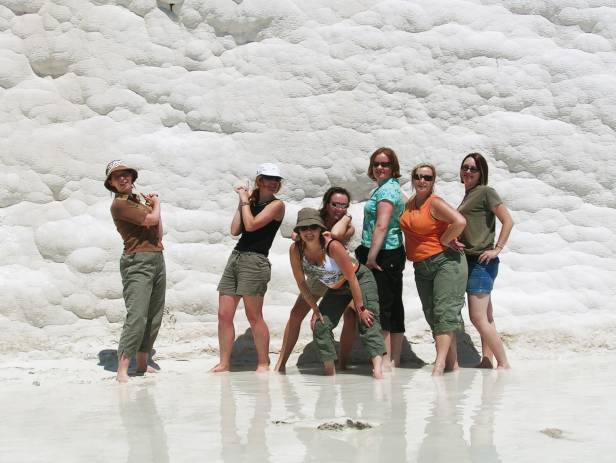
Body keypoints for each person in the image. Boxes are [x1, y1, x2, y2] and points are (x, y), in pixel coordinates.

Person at [290, 208, 386, 378]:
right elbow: (301, 283)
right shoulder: (296, 250)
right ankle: (330, 372)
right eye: (304, 228)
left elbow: (352, 278)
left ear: (320, 229)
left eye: (313, 227)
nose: (309, 232)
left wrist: (360, 307)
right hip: (335, 288)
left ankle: (377, 370)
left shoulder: (332, 246)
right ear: (298, 231)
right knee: (321, 325)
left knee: (367, 318)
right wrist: (315, 310)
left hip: (359, 279)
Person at [211, 163, 285, 373]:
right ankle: (224, 362)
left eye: (276, 179)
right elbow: (235, 230)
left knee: (254, 316)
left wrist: (244, 201)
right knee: (224, 314)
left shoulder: (277, 205)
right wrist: (242, 202)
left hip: (256, 261)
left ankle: (263, 362)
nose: (273, 183)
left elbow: (252, 225)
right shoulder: (249, 203)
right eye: (269, 178)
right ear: (259, 180)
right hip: (236, 256)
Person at [274, 187, 357, 373]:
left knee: (351, 315)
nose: (340, 209)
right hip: (319, 275)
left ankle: (342, 364)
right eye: (335, 204)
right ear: (327, 203)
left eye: (345, 206)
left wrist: (345, 218)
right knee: (296, 314)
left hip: (341, 276)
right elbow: (296, 235)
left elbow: (334, 234)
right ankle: (280, 364)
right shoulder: (313, 220)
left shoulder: (347, 226)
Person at [399, 163, 468, 376]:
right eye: (418, 177)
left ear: (433, 182)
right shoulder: (410, 204)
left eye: (427, 178)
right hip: (422, 266)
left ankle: (438, 367)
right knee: (433, 315)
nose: (422, 181)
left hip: (446, 262)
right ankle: (452, 365)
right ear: (412, 179)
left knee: (444, 313)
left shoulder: (434, 203)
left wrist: (446, 239)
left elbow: (460, 221)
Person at [105, 160, 166, 383]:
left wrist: (153, 206)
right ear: (111, 183)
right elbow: (151, 219)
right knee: (137, 315)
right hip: (137, 261)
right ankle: (122, 369)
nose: (123, 178)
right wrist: (157, 204)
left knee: (154, 314)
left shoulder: (137, 201)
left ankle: (142, 363)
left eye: (126, 174)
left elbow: (158, 230)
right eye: (117, 176)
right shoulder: (119, 204)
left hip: (156, 257)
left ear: (132, 177)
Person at [458, 153, 513, 369]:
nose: (468, 172)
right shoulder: (469, 194)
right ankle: (487, 359)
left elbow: (508, 220)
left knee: (477, 317)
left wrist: (497, 249)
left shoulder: (486, 192)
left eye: (473, 168)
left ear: (482, 172)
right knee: (487, 317)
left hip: (481, 261)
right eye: (465, 167)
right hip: (471, 259)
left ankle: (503, 362)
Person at [355, 147, 406, 369]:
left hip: (382, 254)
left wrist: (371, 257)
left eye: (384, 164)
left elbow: (382, 225)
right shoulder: (390, 188)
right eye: (376, 163)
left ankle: (384, 360)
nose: (379, 168)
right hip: (391, 253)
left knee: (382, 306)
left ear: (393, 167)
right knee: (394, 305)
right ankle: (394, 360)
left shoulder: (386, 192)